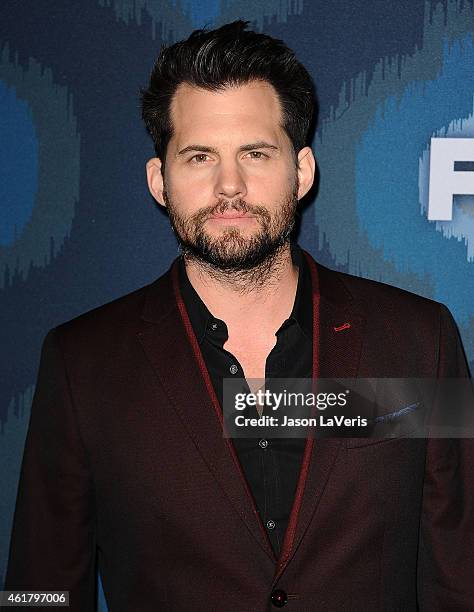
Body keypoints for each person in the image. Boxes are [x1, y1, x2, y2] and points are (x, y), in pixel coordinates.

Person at [4, 20, 473, 612]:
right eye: (200, 156)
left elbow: (461, 572)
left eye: (255, 153)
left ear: (301, 172)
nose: (230, 185)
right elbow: (37, 588)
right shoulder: (82, 363)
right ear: (160, 181)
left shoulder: (417, 342)